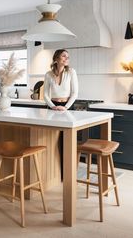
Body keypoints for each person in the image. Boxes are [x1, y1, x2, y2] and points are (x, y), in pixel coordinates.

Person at [44, 49, 79, 180]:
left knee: (66, 140)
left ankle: (67, 174)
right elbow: (46, 94)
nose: (66, 58)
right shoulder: (48, 74)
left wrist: (65, 108)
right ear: (56, 58)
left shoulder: (71, 72)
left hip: (67, 107)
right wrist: (53, 107)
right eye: (64, 56)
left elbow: (75, 93)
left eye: (68, 56)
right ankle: (54, 173)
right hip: (52, 107)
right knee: (52, 138)